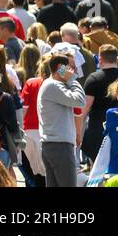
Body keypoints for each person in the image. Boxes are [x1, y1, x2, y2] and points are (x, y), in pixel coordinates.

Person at [37, 52, 87, 188]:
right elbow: (80, 101)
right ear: (60, 67)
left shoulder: (52, 85)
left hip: (54, 145)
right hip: (59, 146)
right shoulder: (53, 85)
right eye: (70, 67)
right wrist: (72, 80)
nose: (74, 71)